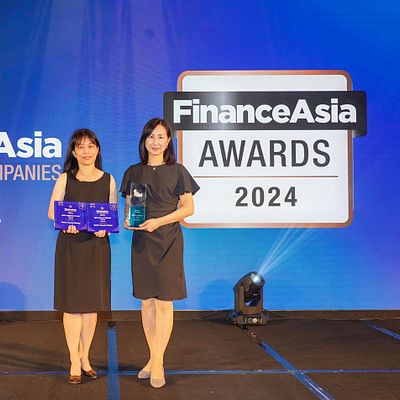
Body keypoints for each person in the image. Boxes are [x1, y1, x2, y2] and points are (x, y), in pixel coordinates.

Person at [120, 118, 199, 389]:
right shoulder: (133, 171)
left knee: (164, 302)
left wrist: (159, 221)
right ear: (144, 140)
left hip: (168, 241)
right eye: (151, 137)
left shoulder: (177, 171)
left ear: (168, 142)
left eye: (161, 137)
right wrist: (128, 220)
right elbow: (129, 207)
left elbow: (188, 208)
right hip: (142, 242)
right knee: (147, 302)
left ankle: (158, 362)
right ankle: (153, 359)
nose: (155, 142)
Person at [48, 128, 118, 384]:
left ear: (97, 150)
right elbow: (52, 212)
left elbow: (112, 213)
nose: (86, 151)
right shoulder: (64, 178)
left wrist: (105, 227)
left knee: (90, 307)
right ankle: (73, 360)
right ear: (74, 152)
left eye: (90, 146)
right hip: (70, 248)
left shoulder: (109, 179)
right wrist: (65, 222)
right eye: (81, 147)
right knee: (72, 307)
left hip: (96, 248)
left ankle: (85, 356)